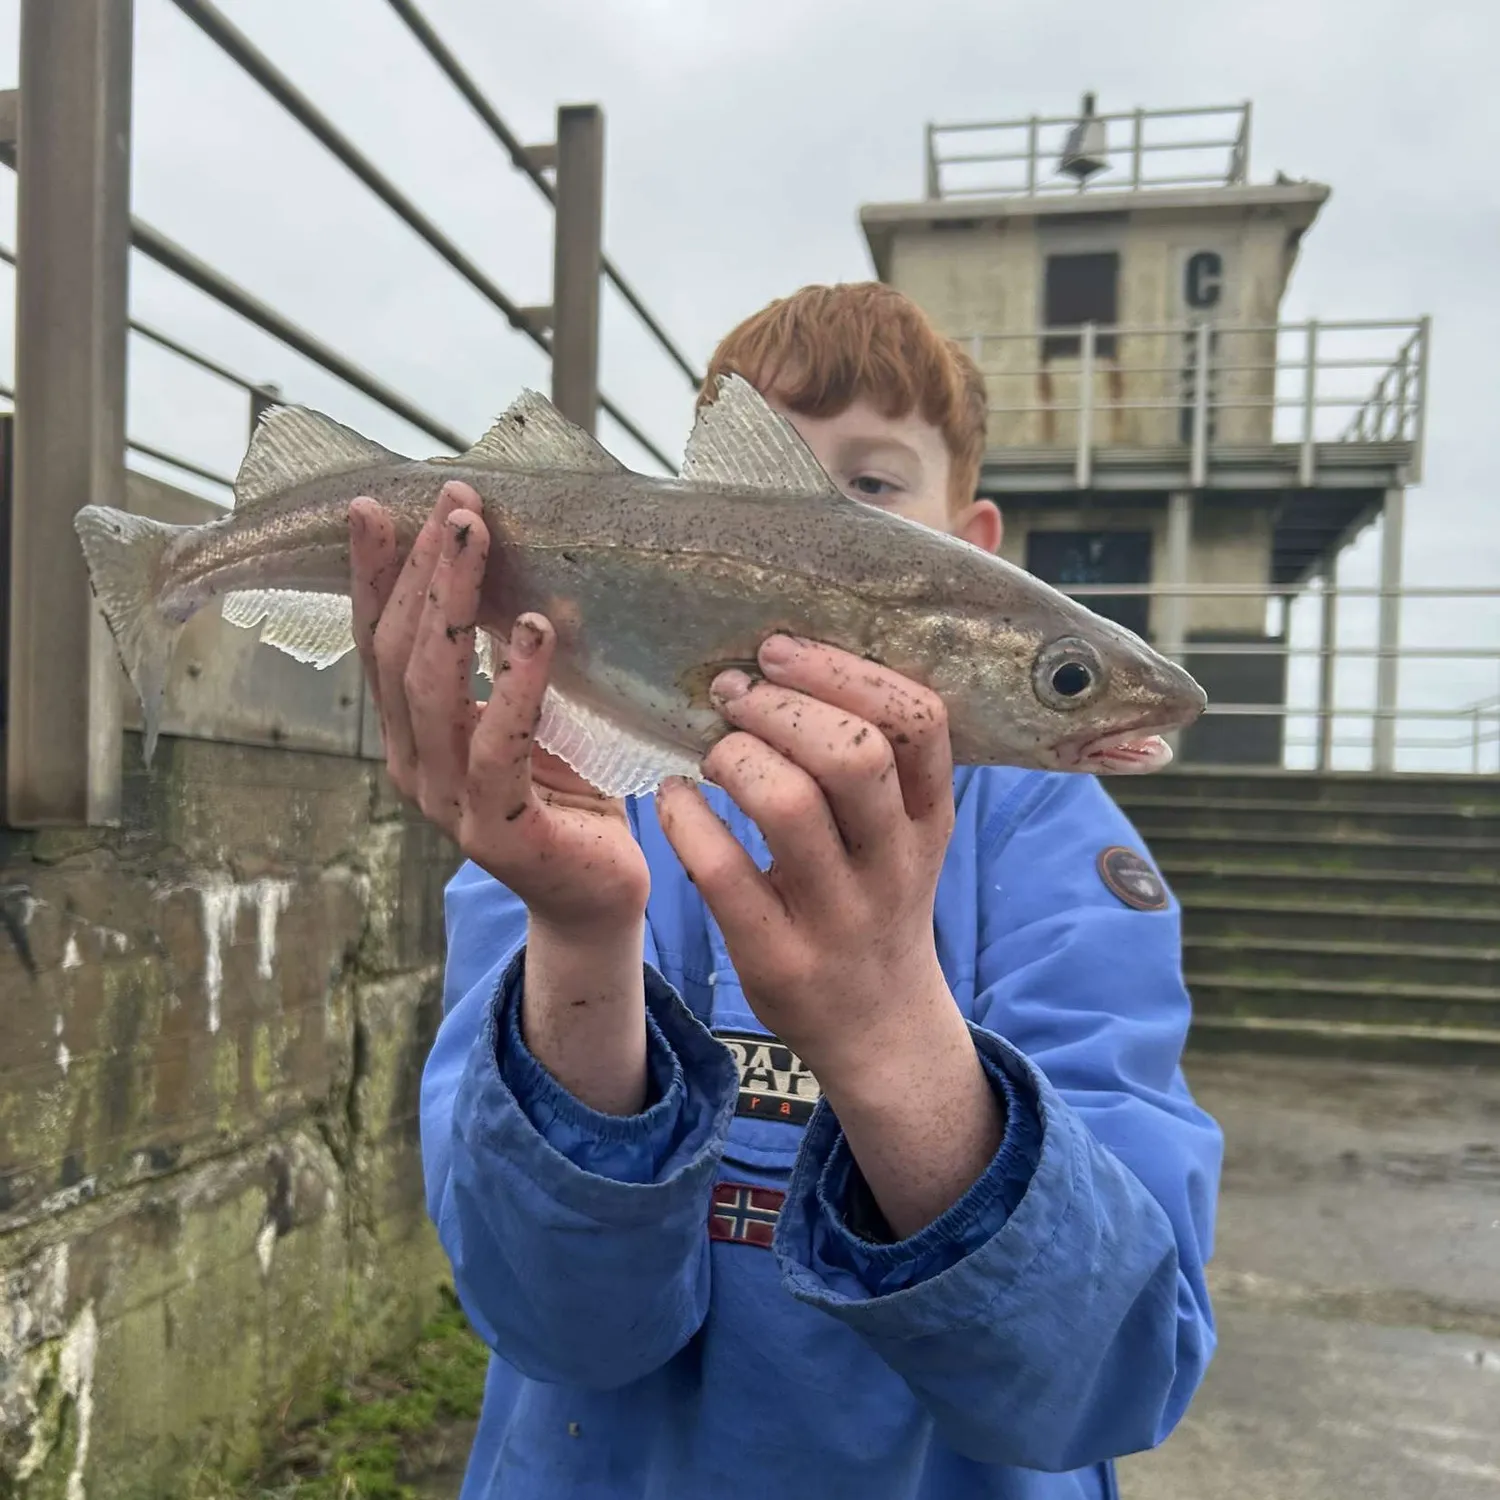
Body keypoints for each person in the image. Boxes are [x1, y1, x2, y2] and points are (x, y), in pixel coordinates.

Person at [346, 282, 1223, 1500]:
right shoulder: (565, 793)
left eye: (865, 491)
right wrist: (579, 933)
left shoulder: (1060, 855)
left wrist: (887, 1027)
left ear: (969, 549)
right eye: (758, 507)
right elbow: (553, 1325)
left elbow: (1108, 1377)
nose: (797, 546)